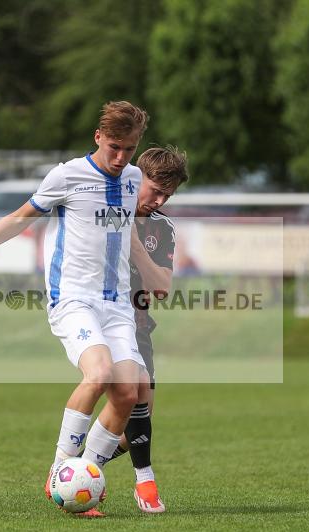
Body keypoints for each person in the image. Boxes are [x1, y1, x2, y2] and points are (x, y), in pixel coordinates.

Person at [0, 100, 150, 517]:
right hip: (73, 299)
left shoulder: (134, 177)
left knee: (129, 392)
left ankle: (85, 479)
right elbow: (18, 219)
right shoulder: (67, 175)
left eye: (130, 149)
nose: (121, 158)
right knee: (99, 374)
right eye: (115, 147)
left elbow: (129, 225)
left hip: (116, 304)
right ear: (98, 138)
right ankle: (59, 472)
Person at [96, 146, 188, 513]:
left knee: (136, 418)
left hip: (139, 323)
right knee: (132, 397)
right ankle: (145, 483)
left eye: (168, 194)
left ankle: (80, 470)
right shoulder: (101, 211)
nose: (160, 199)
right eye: (156, 189)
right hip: (100, 319)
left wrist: (133, 243)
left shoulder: (162, 227)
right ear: (137, 178)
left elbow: (161, 285)